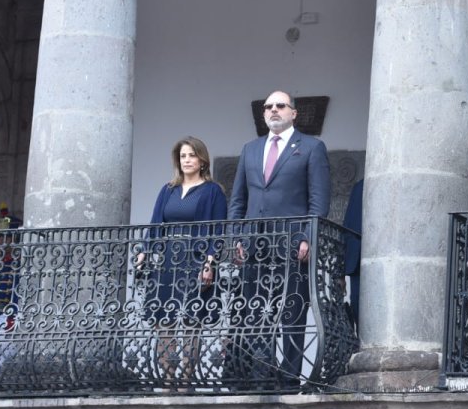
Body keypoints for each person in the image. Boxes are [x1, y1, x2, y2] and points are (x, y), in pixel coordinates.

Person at [228, 91, 330, 388]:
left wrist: (309, 237)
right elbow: (238, 200)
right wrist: (237, 236)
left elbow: (318, 200)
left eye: (280, 106)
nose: (274, 110)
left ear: (293, 113)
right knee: (255, 309)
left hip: (292, 243)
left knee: (292, 310)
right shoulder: (250, 149)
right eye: (268, 107)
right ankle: (262, 373)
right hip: (253, 244)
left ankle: (288, 377)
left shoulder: (311, 147)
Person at [137, 136, 227, 388]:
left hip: (196, 260)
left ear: (202, 160)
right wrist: (144, 252)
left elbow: (217, 230)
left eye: (191, 155)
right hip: (167, 260)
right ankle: (168, 379)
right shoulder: (168, 190)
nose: (187, 160)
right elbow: (156, 224)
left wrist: (210, 263)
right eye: (183, 156)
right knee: (163, 319)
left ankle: (186, 379)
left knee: (190, 320)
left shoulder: (213, 192)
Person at [341, 178, 363, 332]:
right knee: (359, 313)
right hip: (359, 266)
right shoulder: (359, 187)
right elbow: (347, 229)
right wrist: (340, 272)